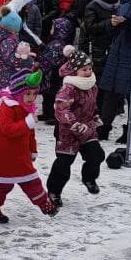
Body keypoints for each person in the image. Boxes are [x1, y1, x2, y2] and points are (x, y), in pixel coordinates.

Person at [0, 69, 55, 222]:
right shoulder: (7, 107)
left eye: (34, 94)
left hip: (19, 154)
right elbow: (8, 129)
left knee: (31, 180)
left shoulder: (26, 108)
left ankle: (44, 204)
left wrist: (32, 149)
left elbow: (30, 133)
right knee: (3, 185)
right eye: (27, 94)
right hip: (4, 154)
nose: (31, 98)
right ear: (18, 92)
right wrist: (27, 122)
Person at [46, 48, 103, 205]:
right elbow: (61, 108)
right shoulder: (68, 88)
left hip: (87, 129)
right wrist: (74, 123)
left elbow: (93, 105)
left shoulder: (92, 86)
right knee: (63, 165)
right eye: (84, 69)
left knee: (96, 155)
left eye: (89, 68)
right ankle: (54, 191)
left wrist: (95, 118)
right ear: (75, 71)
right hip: (68, 132)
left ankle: (89, 178)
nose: (88, 72)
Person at [96, 0, 131, 142]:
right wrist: (112, 24)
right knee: (110, 93)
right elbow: (112, 31)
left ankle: (129, 131)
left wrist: (126, 23)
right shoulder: (124, 6)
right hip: (117, 52)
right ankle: (104, 127)